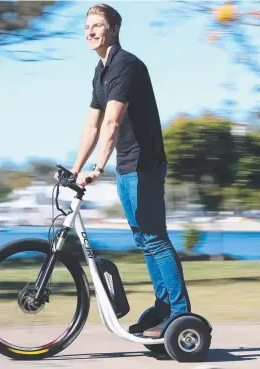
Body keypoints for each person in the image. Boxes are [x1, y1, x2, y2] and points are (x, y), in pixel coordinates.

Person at [55, 3, 191, 338]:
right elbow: (92, 124)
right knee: (145, 241)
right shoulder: (100, 71)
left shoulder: (124, 65)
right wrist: (74, 170)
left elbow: (112, 121)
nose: (90, 32)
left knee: (155, 240)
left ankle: (180, 314)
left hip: (145, 165)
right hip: (128, 166)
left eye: (97, 26)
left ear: (113, 29)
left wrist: (97, 168)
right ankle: (163, 309)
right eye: (87, 26)